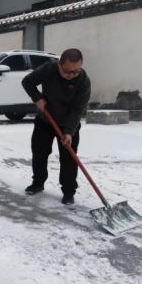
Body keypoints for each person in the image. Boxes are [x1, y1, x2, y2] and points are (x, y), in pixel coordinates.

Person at [21, 48, 91, 205]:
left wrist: (69, 132)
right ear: (60, 65)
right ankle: (38, 183)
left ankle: (68, 191)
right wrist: (37, 98)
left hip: (68, 123)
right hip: (46, 119)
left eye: (76, 71)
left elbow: (78, 109)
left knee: (69, 159)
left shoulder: (83, 81)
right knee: (39, 152)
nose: (71, 75)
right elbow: (27, 82)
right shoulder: (49, 69)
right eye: (68, 71)